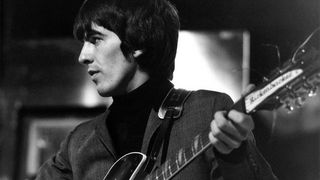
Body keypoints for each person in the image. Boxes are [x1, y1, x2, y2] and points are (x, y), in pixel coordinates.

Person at [36, 0, 277, 179]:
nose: (83, 56)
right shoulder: (78, 142)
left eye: (96, 39)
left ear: (138, 41)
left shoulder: (208, 112)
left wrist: (234, 156)